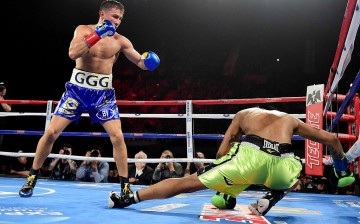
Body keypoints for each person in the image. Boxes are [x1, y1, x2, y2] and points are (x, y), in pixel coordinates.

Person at [19, 0, 160, 198]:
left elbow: (139, 61)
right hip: (77, 91)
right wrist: (98, 34)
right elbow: (73, 53)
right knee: (51, 132)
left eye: (120, 18)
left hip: (103, 94)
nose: (118, 21)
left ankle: (125, 188)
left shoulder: (121, 41)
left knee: (118, 137)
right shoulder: (83, 30)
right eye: (114, 16)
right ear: (102, 14)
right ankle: (32, 178)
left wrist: (149, 62)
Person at [108, 107, 355, 216]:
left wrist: (225, 185)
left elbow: (221, 154)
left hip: (247, 160)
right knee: (295, 165)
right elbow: (332, 139)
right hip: (282, 167)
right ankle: (272, 197)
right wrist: (341, 168)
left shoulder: (244, 115)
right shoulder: (290, 119)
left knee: (187, 183)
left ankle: (131, 198)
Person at [0, 82, 12, 149]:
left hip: (1, 126)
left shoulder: (7, 99)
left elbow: (8, 109)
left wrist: (1, 100)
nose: (3, 91)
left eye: (4, 89)